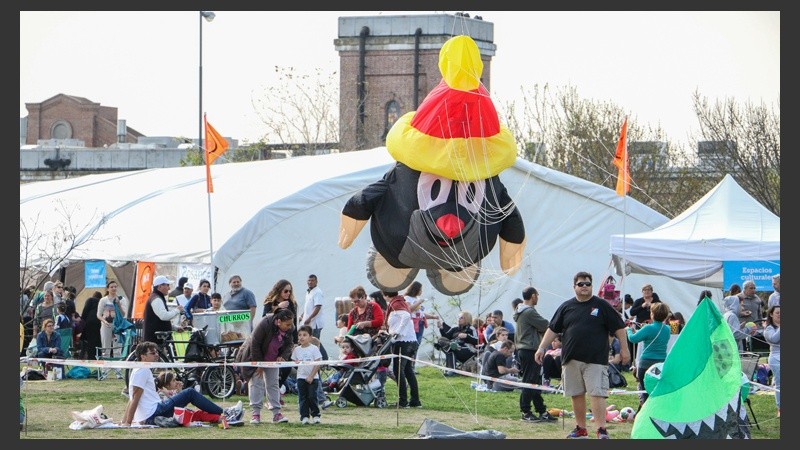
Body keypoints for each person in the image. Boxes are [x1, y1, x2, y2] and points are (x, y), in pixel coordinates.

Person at [535, 271, 630, 440]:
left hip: (596, 359)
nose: (584, 287)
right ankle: (581, 429)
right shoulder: (566, 307)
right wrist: (541, 348)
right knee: (576, 393)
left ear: (592, 286)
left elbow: (619, 327)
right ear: (574, 287)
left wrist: (625, 349)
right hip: (571, 359)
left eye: (588, 284)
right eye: (581, 284)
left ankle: (601, 430)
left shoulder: (602, 305)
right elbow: (553, 329)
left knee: (597, 393)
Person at [120, 341, 243, 427]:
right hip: (155, 412)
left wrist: (124, 421)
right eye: (153, 353)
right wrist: (127, 423)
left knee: (191, 413)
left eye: (157, 352)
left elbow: (132, 398)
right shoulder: (142, 370)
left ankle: (222, 418)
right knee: (190, 393)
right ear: (143, 356)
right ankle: (226, 413)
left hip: (152, 413)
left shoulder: (138, 370)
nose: (157, 355)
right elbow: (135, 397)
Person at [235, 308, 295, 424]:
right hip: (254, 357)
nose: (290, 327)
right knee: (256, 383)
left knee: (273, 384)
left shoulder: (289, 329)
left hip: (273, 359)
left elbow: (289, 344)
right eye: (287, 324)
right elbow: (255, 344)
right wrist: (259, 363)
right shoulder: (264, 323)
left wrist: (282, 356)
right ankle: (255, 414)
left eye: (290, 324)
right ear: (279, 321)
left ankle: (276, 413)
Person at [515, 286, 556, 422]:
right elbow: (546, 325)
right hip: (529, 350)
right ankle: (525, 411)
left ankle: (542, 411)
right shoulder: (529, 312)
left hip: (527, 349)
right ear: (533, 296)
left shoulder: (522, 311)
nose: (538, 298)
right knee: (529, 381)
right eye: (537, 295)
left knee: (535, 382)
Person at [626, 302, 671, 410]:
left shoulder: (648, 328)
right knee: (656, 390)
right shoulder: (667, 329)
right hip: (661, 364)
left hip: (646, 363)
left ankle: (645, 413)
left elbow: (633, 339)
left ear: (652, 314)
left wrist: (628, 330)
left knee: (644, 390)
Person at [385, 290, 421, 408]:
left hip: (403, 342)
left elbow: (406, 316)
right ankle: (415, 400)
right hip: (410, 340)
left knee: (398, 370)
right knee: (408, 370)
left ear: (385, 295)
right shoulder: (401, 302)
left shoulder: (396, 304)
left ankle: (403, 401)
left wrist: (397, 332)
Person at [291, 325, 324, 424]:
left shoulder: (314, 348)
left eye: (304, 335)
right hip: (301, 377)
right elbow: (294, 361)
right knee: (302, 398)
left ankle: (316, 415)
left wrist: (311, 376)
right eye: (300, 335)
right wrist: (295, 362)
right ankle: (304, 416)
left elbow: (318, 363)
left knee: (312, 396)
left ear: (310, 337)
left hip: (313, 378)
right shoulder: (297, 350)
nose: (301, 337)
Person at [97, 280, 129, 380]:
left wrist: (118, 304)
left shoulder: (122, 299)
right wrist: (104, 321)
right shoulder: (103, 300)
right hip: (106, 325)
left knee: (117, 349)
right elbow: (99, 314)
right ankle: (104, 372)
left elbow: (124, 314)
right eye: (111, 287)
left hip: (118, 325)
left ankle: (118, 371)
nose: (114, 288)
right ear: (108, 289)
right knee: (105, 348)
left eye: (115, 286)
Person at [405, 281, 439, 371]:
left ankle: (412, 366)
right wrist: (419, 302)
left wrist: (432, 317)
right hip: (412, 324)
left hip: (420, 323)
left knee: (416, 344)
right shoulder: (407, 298)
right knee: (411, 344)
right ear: (415, 290)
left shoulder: (417, 298)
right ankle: (408, 366)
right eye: (420, 289)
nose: (421, 291)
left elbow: (421, 314)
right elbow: (409, 309)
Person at [143, 275, 184, 345]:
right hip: (154, 341)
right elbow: (163, 316)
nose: (169, 288)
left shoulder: (157, 297)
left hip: (156, 340)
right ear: (159, 287)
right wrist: (177, 310)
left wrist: (174, 327)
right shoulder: (156, 299)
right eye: (167, 285)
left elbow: (159, 321)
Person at [437, 311, 479, 375]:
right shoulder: (455, 328)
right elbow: (446, 337)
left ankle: (449, 346)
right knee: (442, 340)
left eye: (461, 318)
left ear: (467, 319)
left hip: (467, 349)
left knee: (449, 348)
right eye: (458, 317)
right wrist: (441, 328)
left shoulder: (471, 329)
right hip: (455, 347)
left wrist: (467, 336)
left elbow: (477, 341)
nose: (459, 319)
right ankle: (451, 371)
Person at [300, 274, 326, 357]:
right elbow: (308, 307)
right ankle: (322, 359)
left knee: (315, 343)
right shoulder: (309, 292)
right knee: (312, 341)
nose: (310, 282)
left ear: (316, 282)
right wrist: (302, 316)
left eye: (312, 280)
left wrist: (309, 318)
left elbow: (317, 307)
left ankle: (324, 359)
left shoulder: (317, 292)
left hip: (315, 323)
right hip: (309, 323)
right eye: (309, 280)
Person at [762, 305, 780, 417]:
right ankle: (780, 408)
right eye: (778, 313)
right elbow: (774, 339)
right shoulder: (769, 328)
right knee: (780, 384)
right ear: (771, 314)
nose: (780, 315)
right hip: (776, 358)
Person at [80, 291, 103, 360]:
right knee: (98, 340)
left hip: (90, 322)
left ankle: (91, 357)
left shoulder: (90, 300)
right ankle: (98, 355)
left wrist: (83, 319)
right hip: (99, 322)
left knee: (90, 341)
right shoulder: (101, 301)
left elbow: (85, 311)